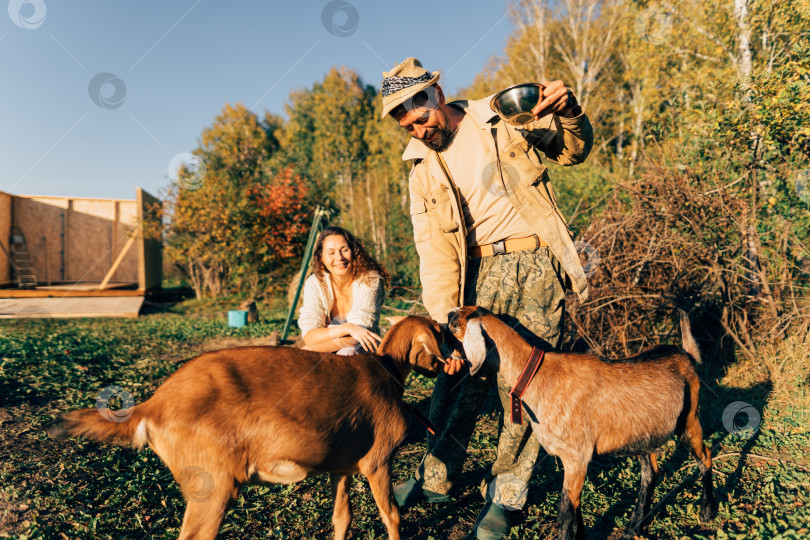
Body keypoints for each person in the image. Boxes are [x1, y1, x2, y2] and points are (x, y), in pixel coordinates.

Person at [381, 57, 593, 539]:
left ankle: (506, 495)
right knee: (456, 382)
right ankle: (436, 474)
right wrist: (441, 324)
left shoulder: (503, 116)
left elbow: (571, 152)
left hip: (536, 266)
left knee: (523, 387)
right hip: (472, 277)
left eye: (421, 116)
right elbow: (432, 250)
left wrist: (568, 112)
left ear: (436, 94)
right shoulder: (419, 170)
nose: (418, 129)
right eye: (406, 125)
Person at [298, 226, 388, 355]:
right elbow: (310, 336)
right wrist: (348, 328)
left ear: (354, 252)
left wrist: (312, 349)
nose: (339, 257)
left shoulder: (370, 280)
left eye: (344, 250)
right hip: (324, 349)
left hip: (364, 349)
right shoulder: (315, 283)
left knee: (347, 353)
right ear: (321, 258)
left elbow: (358, 336)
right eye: (331, 252)